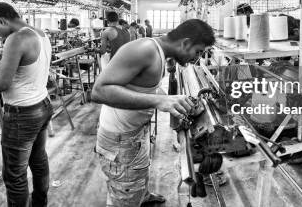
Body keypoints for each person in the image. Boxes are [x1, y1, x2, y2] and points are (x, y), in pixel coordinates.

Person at [92, 19, 215, 207]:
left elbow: (147, 89)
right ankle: (130, 197)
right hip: (120, 141)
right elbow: (99, 91)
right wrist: (160, 101)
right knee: (124, 194)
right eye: (197, 51)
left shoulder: (159, 54)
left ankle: (141, 195)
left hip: (134, 134)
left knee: (138, 176)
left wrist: (176, 102)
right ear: (185, 43)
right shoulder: (144, 49)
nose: (197, 58)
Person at [0, 2, 53, 207]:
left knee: (15, 175)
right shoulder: (39, 32)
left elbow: (1, 84)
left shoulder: (16, 38)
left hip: (23, 114)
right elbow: (29, 65)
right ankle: (40, 203)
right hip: (42, 105)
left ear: (2, 21)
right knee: (38, 161)